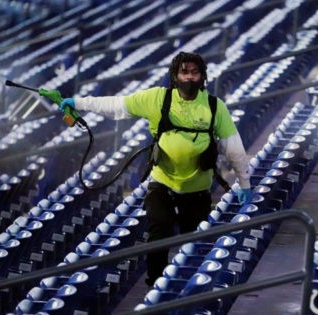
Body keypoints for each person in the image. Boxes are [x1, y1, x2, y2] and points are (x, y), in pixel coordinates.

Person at [60, 51, 253, 286]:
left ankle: (190, 289)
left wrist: (244, 183)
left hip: (198, 189)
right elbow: (116, 105)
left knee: (196, 242)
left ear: (203, 76)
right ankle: (156, 284)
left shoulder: (214, 107)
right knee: (158, 231)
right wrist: (79, 103)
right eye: (184, 72)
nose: (190, 77)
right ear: (174, 75)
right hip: (163, 183)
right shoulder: (157, 99)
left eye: (195, 72)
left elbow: (233, 147)